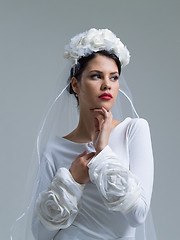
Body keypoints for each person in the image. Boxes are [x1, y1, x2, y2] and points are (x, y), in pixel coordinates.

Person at [11, 28, 156, 240]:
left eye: (114, 77)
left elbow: (138, 216)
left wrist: (103, 152)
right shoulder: (54, 149)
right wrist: (72, 181)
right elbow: (41, 234)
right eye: (96, 76)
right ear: (75, 85)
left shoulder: (134, 130)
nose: (107, 84)